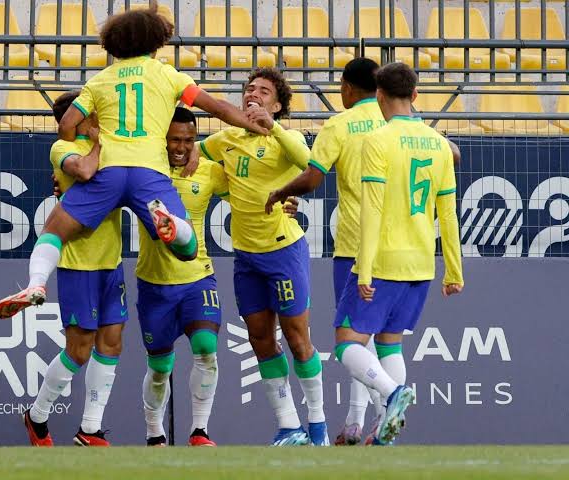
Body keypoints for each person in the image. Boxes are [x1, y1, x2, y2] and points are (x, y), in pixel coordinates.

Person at [0, 5, 268, 320]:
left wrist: (87, 143)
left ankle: (36, 285)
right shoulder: (166, 74)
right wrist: (252, 124)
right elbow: (216, 107)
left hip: (107, 171)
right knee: (187, 248)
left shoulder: (99, 81)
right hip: (148, 172)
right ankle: (171, 224)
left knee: (53, 230)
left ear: (115, 42)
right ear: (155, 40)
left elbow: (66, 124)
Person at [140, 108, 300, 447]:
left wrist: (286, 200)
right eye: (174, 140)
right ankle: (155, 433)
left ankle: (199, 431)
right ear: (162, 141)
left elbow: (248, 198)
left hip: (198, 277)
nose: (181, 147)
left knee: (206, 349)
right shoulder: (143, 173)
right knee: (159, 367)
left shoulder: (211, 171)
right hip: (154, 281)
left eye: (187, 140)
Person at [333, 62, 464, 445]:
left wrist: (366, 268)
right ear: (416, 96)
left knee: (346, 343)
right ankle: (386, 430)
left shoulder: (377, 140)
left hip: (385, 259)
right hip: (421, 263)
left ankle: (392, 395)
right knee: (390, 342)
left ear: (379, 96)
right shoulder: (440, 144)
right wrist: (453, 270)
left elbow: (371, 210)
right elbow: (448, 214)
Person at [197, 68, 328, 446]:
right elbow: (192, 156)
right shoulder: (226, 139)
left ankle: (318, 426)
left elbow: (309, 162)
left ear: (278, 104)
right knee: (259, 339)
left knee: (297, 338)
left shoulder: (286, 138)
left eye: (264, 91)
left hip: (284, 251)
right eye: (249, 89)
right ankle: (290, 426)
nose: (253, 94)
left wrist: (273, 127)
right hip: (246, 258)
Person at [265, 58, 386, 445]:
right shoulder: (397, 121)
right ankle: (356, 422)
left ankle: (380, 409)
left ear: (348, 89)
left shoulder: (340, 124)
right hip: (398, 243)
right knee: (382, 339)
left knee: (353, 337)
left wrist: (284, 190)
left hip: (354, 243)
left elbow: (313, 177)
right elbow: (448, 154)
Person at [23, 91, 125, 447]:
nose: (96, 115)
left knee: (111, 344)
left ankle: (90, 429)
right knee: (78, 351)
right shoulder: (61, 149)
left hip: (111, 262)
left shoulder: (107, 144)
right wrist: (99, 146)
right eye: (88, 111)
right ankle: (37, 417)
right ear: (73, 119)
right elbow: (84, 171)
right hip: (78, 263)